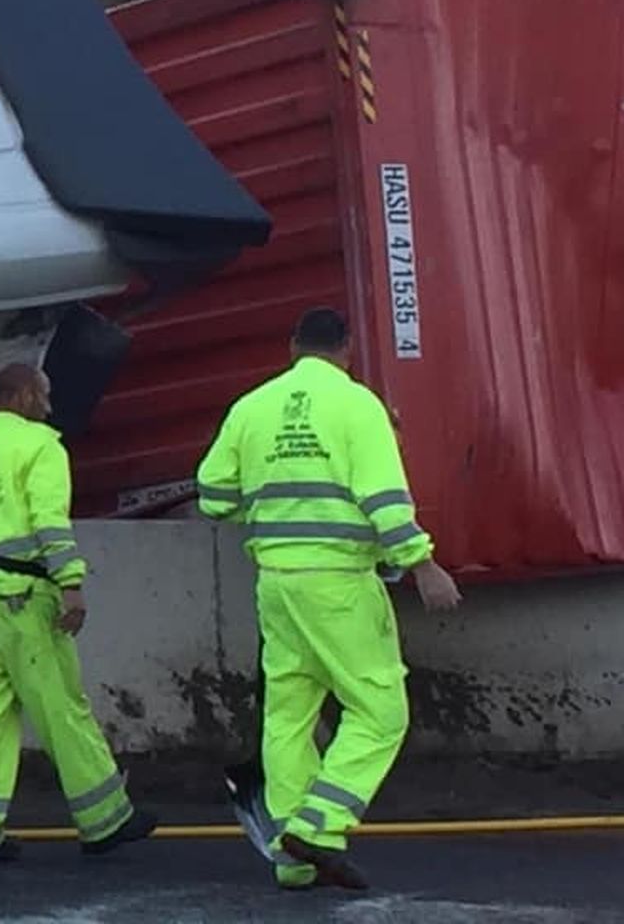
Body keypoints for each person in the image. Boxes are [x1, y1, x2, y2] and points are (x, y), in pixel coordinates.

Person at [196, 307, 462, 892]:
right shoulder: (357, 405)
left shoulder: (252, 406)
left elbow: (213, 495)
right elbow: (385, 498)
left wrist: (269, 512)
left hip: (277, 584)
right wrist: (423, 564)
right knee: (380, 711)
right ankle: (321, 825)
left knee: (288, 717)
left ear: (293, 345)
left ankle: (292, 859)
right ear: (347, 349)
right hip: (339, 583)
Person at [0, 362, 159, 863]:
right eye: (44, 394)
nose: (50, 405)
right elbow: (49, 523)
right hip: (29, 598)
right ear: (19, 397)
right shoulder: (41, 447)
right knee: (62, 707)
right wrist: (70, 584)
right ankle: (105, 820)